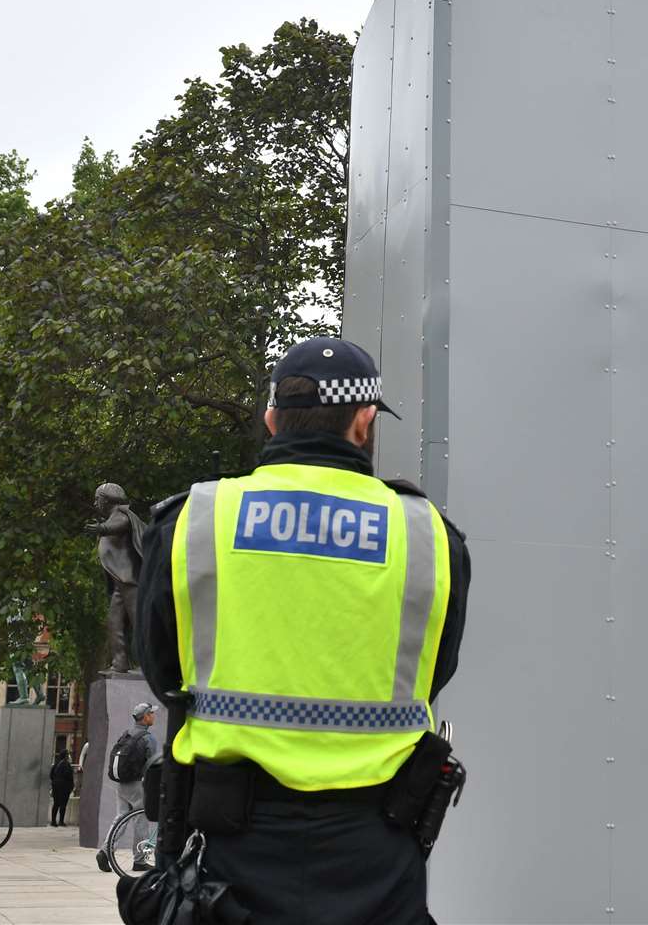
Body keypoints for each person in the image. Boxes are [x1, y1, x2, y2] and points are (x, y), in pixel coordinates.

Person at [138, 336, 471, 924]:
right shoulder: (430, 537)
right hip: (379, 860)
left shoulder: (195, 520)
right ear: (364, 422)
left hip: (227, 863)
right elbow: (434, 671)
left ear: (272, 419)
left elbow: (164, 673)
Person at [100, 702, 157, 871]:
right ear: (146, 716)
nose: (154, 716)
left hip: (122, 784)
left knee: (120, 819)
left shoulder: (127, 734)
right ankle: (139, 861)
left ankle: (104, 852)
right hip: (138, 785)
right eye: (152, 713)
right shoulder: (148, 738)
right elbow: (153, 765)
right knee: (142, 821)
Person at [49, 749, 75, 827]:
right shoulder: (67, 765)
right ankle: (61, 821)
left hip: (55, 786)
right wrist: (71, 786)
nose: (69, 756)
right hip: (64, 787)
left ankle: (53, 821)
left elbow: (51, 775)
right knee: (63, 805)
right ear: (66, 756)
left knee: (56, 804)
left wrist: (54, 782)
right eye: (68, 754)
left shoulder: (56, 764)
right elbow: (69, 776)